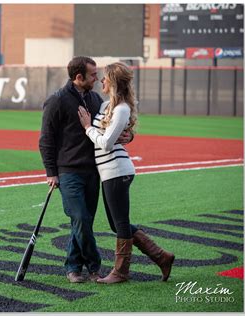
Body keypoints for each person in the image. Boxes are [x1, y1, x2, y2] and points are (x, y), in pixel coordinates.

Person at [77, 62, 175, 284]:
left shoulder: (121, 109)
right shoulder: (105, 106)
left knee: (120, 223)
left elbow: (107, 143)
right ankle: (161, 257)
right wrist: (126, 136)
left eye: (104, 78)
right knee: (115, 224)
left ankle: (121, 272)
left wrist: (87, 128)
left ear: (112, 80)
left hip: (118, 170)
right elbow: (114, 135)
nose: (101, 81)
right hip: (108, 172)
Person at [39, 56, 133, 283]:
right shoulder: (57, 101)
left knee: (84, 221)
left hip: (94, 172)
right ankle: (93, 266)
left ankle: (73, 267)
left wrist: (129, 136)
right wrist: (51, 172)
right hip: (68, 172)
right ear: (78, 77)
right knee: (80, 217)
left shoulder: (95, 99)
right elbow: (46, 140)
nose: (97, 78)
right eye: (92, 75)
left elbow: (111, 127)